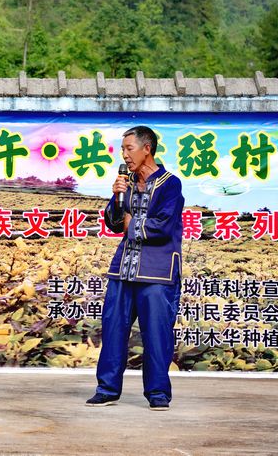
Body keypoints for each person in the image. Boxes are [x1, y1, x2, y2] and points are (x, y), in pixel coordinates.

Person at [86, 126, 183, 411]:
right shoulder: (125, 183)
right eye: (123, 149)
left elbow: (163, 227)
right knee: (113, 329)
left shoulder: (169, 184)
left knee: (156, 334)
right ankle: (107, 389)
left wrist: (131, 224)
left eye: (129, 148)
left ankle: (157, 393)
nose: (125, 155)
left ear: (147, 148)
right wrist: (117, 200)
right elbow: (114, 223)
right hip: (123, 270)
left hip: (157, 272)